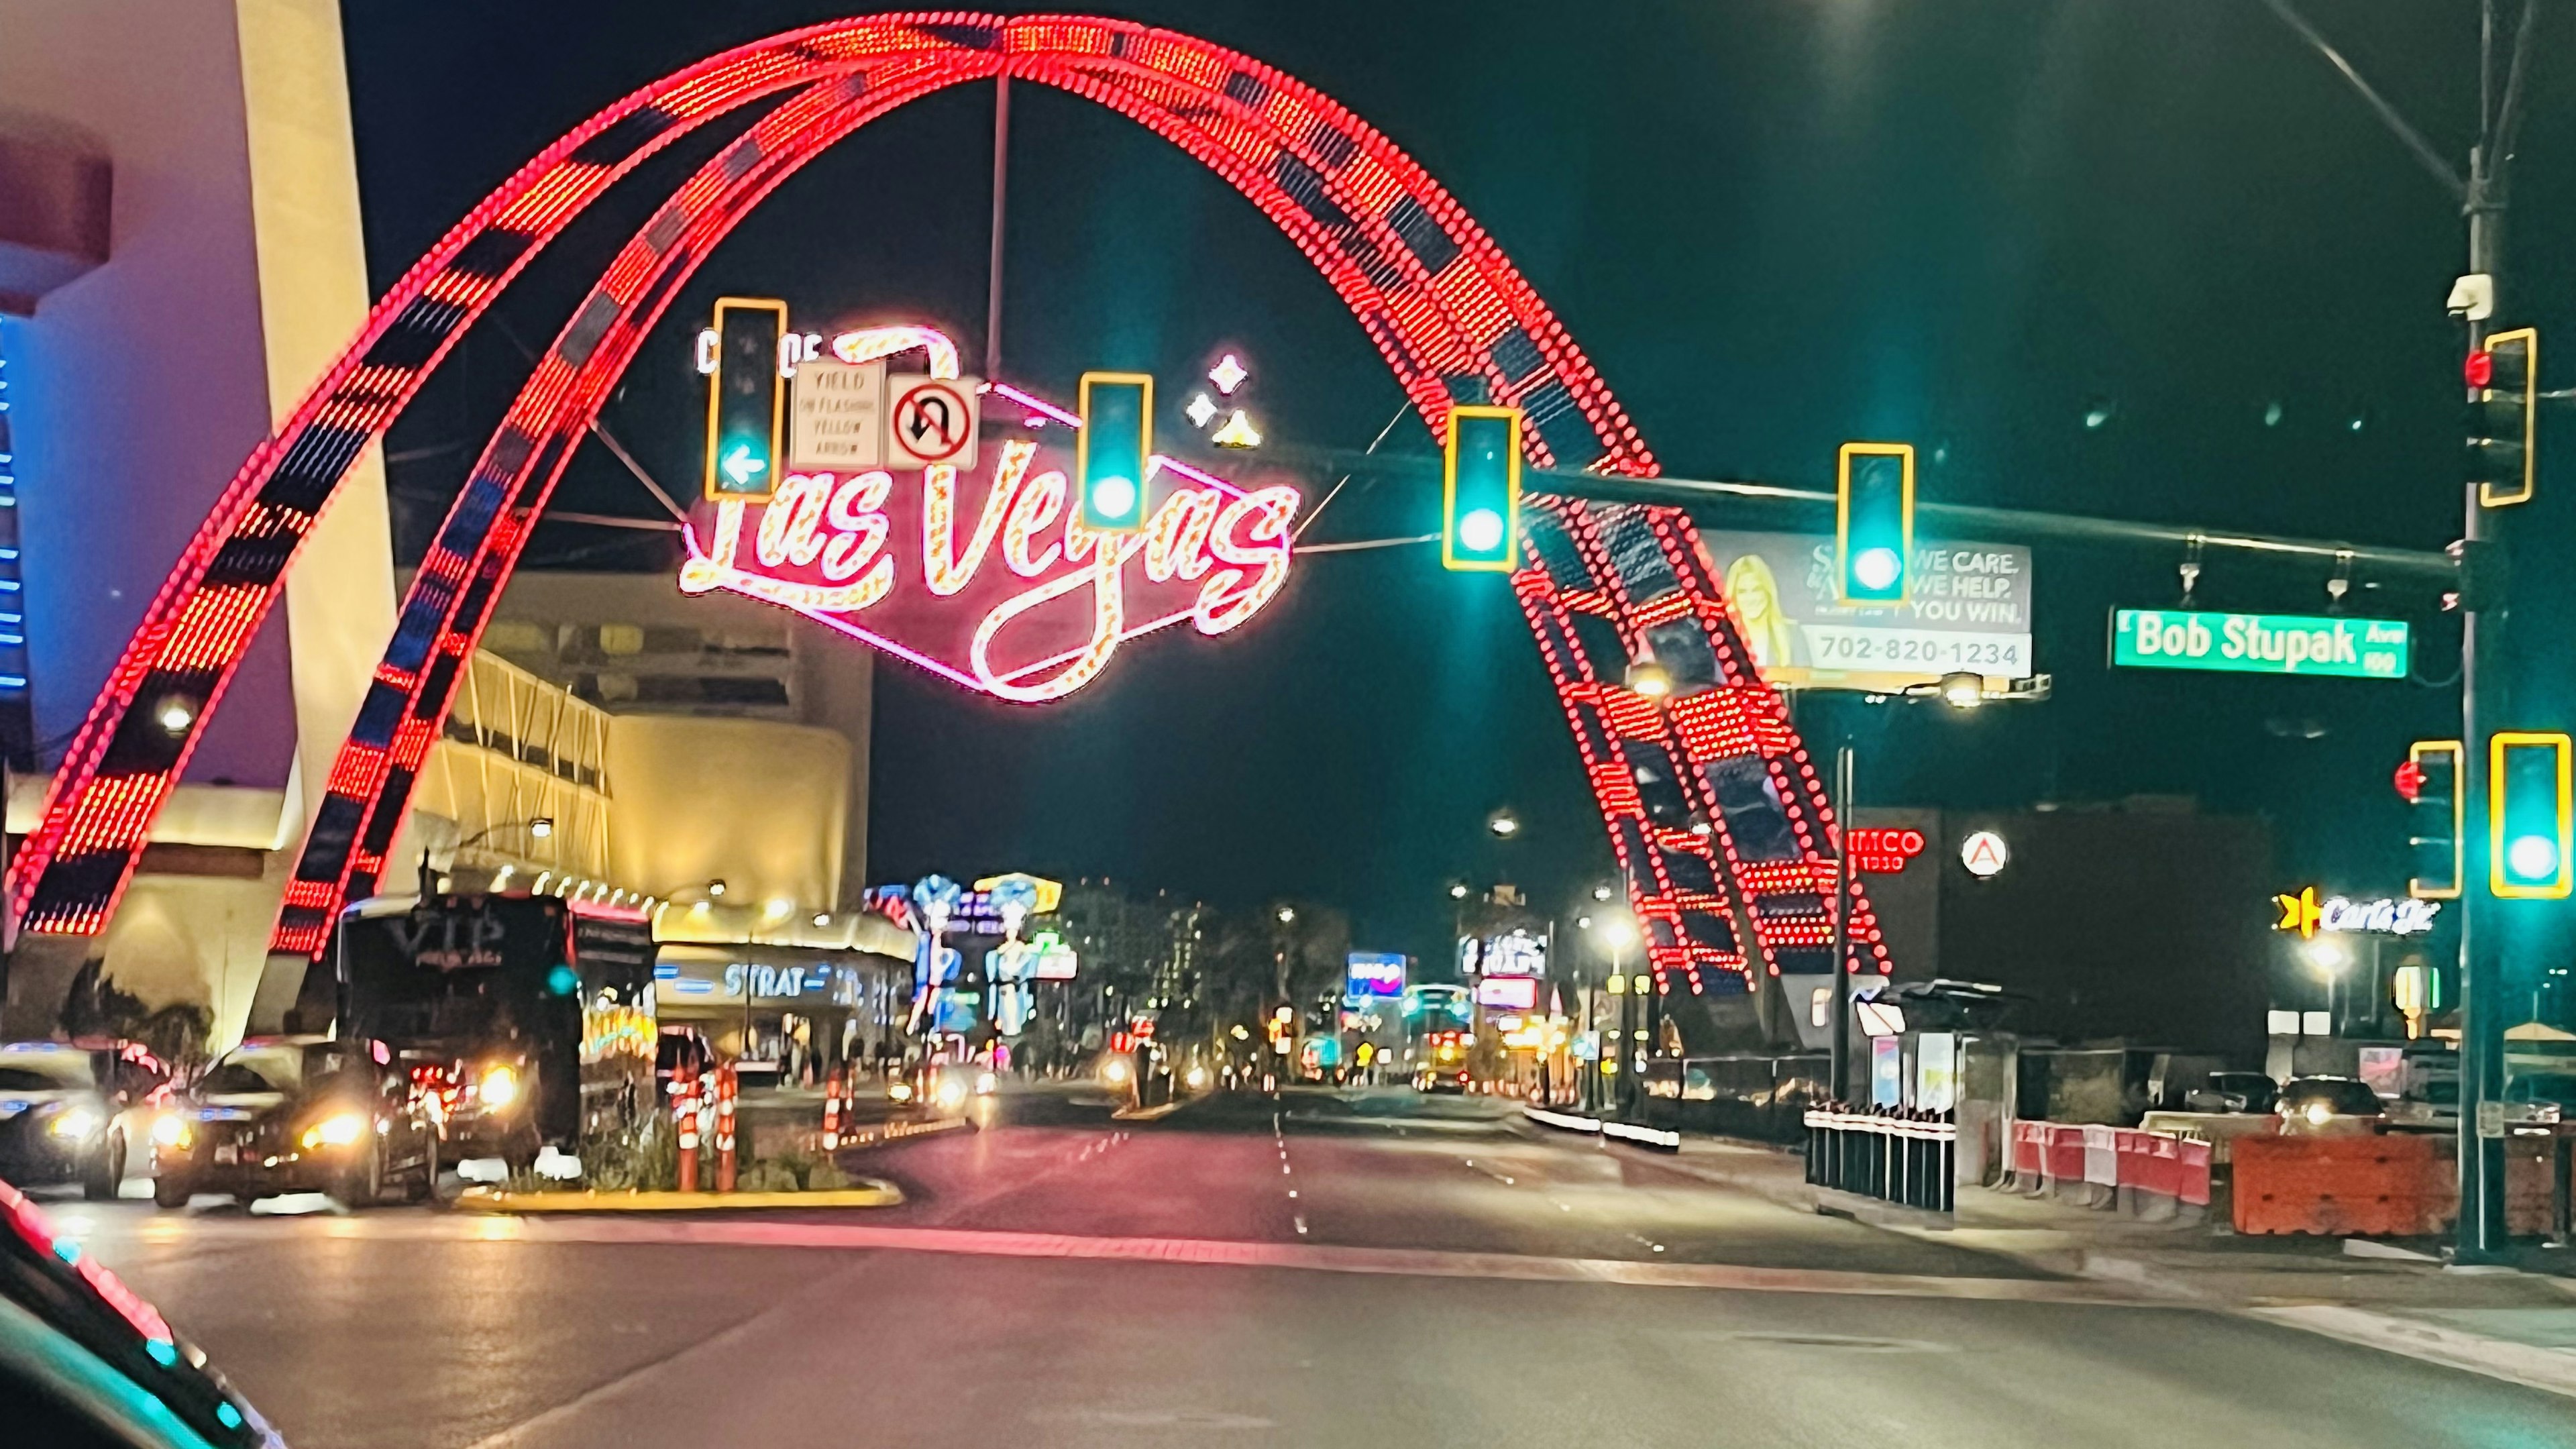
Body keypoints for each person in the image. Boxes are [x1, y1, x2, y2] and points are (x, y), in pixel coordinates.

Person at [1723, 552, 1799, 673]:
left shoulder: (1793, 633)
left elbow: (1807, 685)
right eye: (1742, 591)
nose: (1751, 598)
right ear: (1733, 596)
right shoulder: (1720, 637)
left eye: (1757, 589)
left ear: (1768, 592)